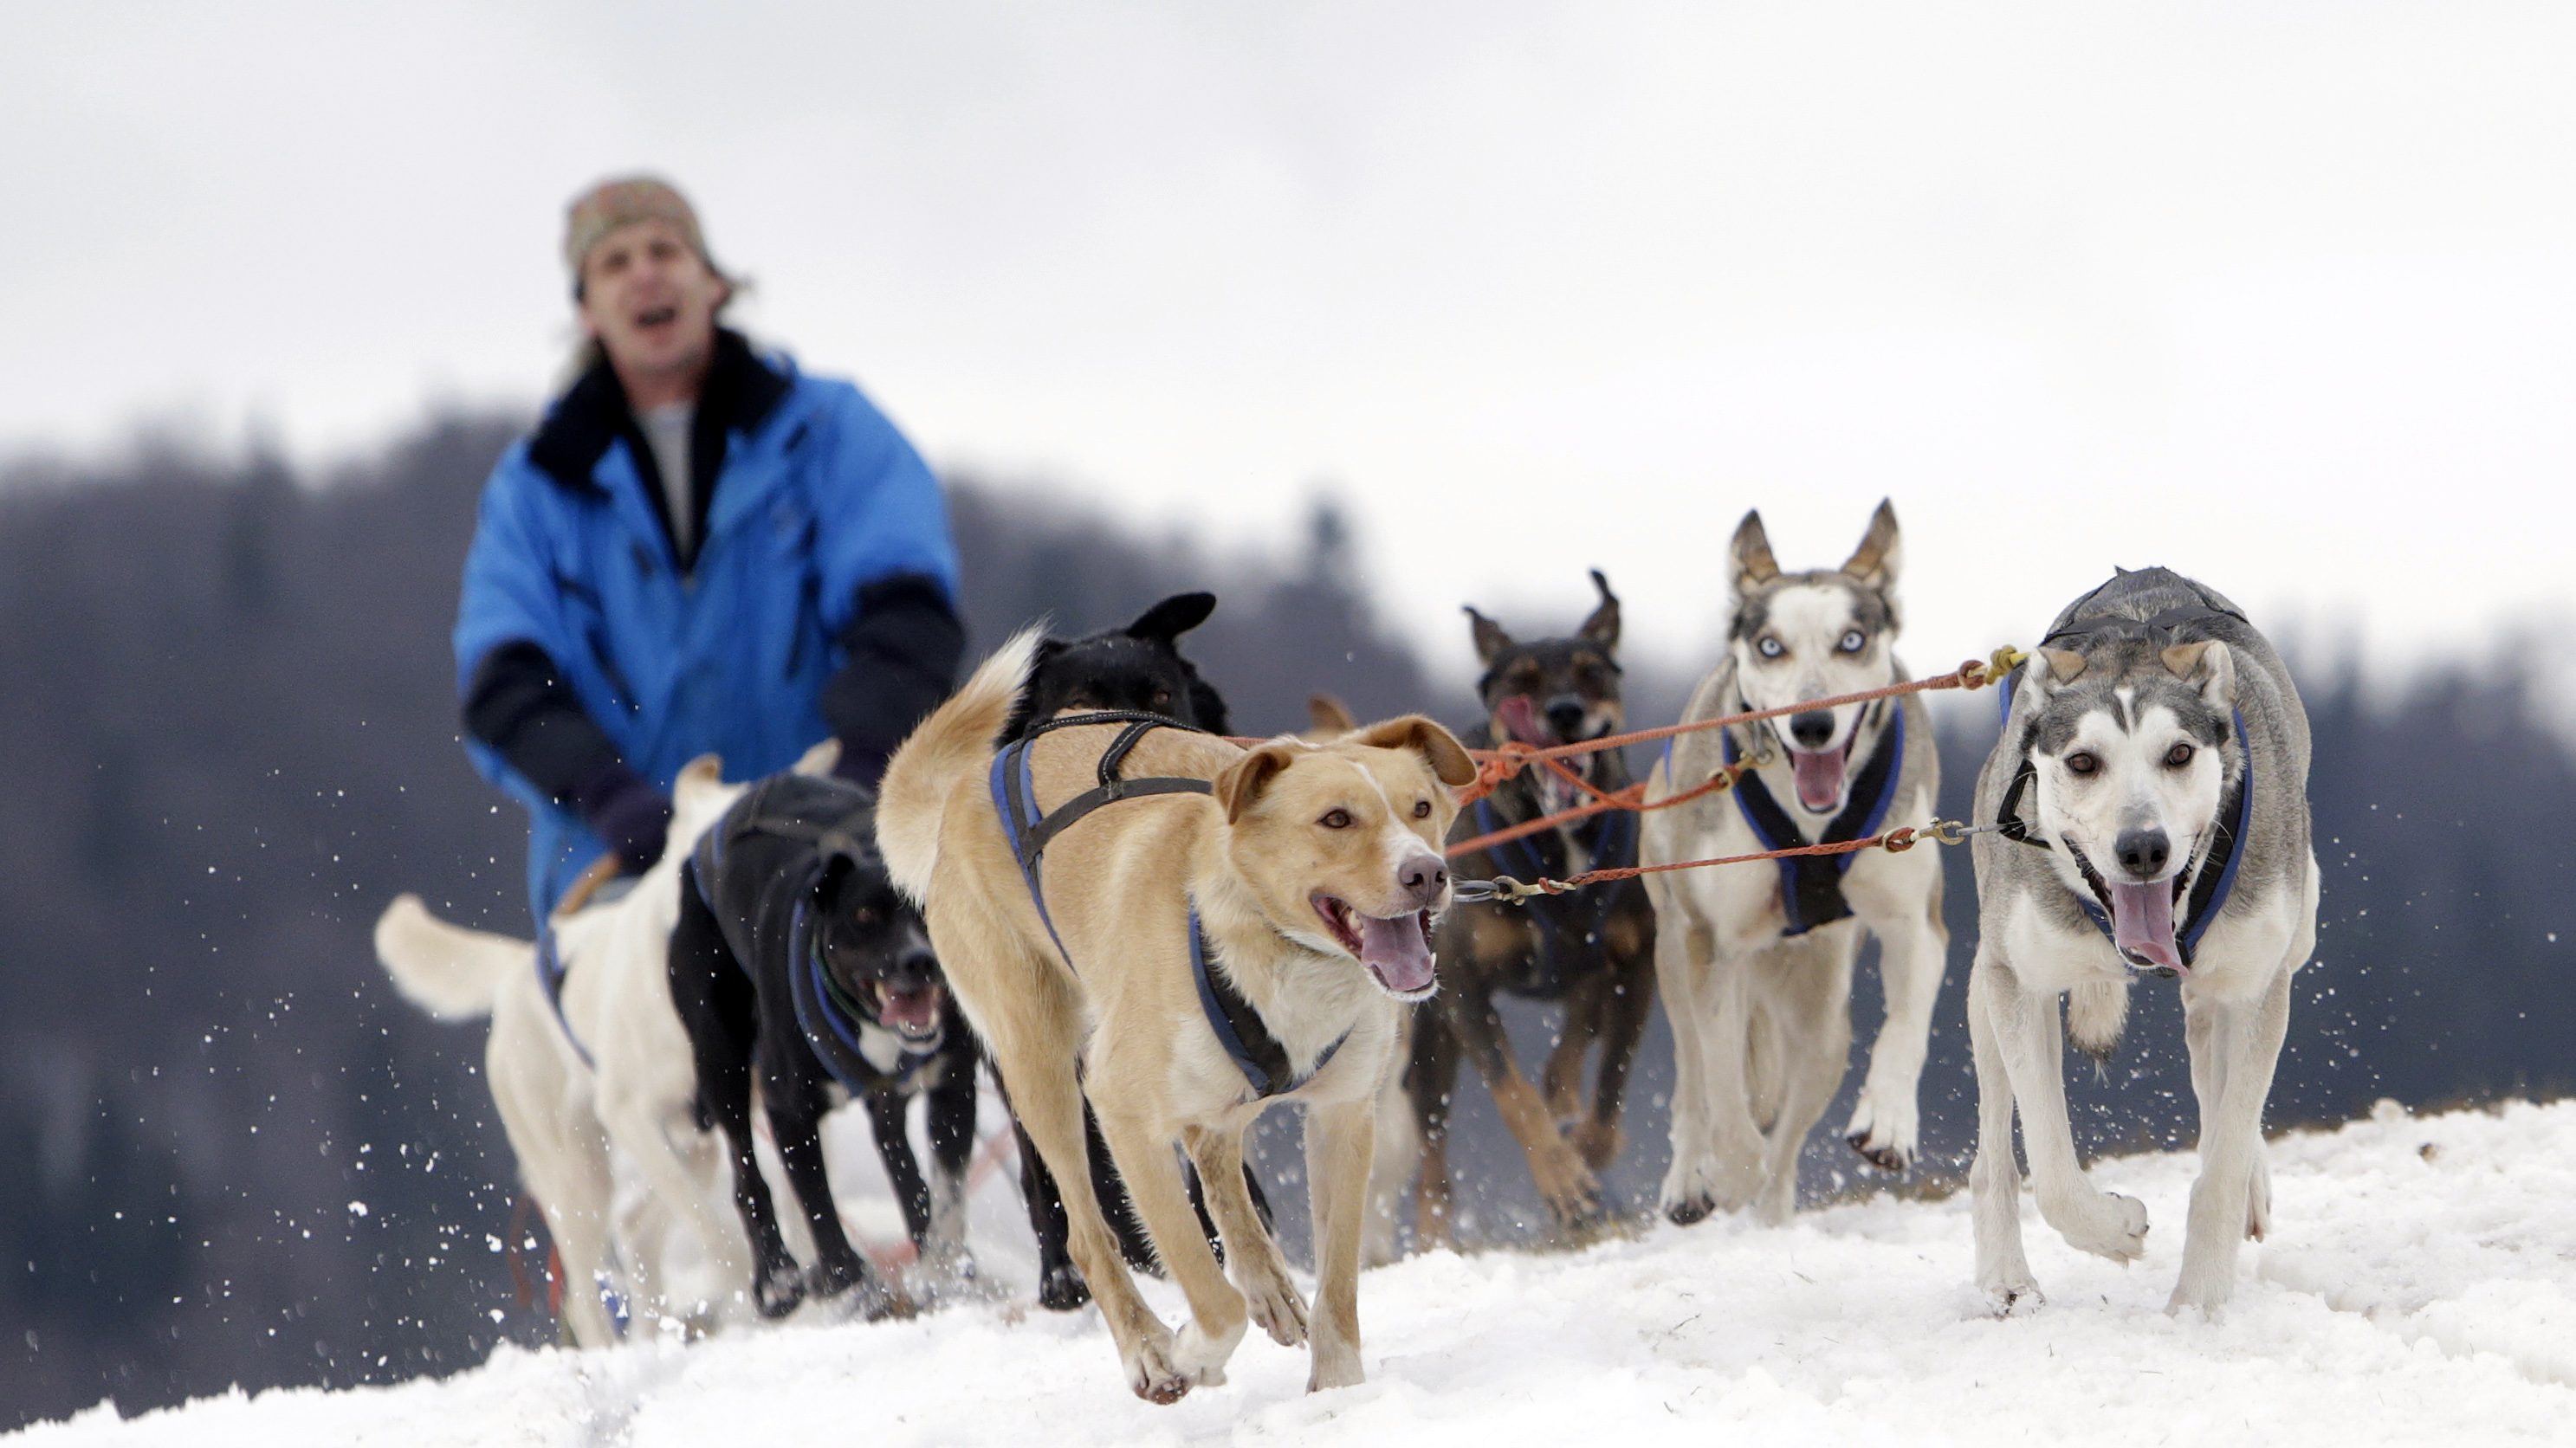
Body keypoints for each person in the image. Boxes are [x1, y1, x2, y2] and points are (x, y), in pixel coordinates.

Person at [454, 177, 963, 918]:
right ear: (586, 313)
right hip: (617, 880)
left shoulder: (835, 434)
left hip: (832, 863)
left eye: (665, 250)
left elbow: (908, 620)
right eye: (614, 262)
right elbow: (505, 684)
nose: (644, 272)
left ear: (715, 283)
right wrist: (609, 796)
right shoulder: (531, 490)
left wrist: (855, 777)